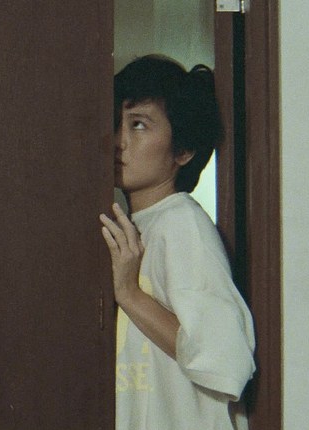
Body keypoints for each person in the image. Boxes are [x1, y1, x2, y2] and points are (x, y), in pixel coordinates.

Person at [99, 55, 256, 430]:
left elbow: (226, 363)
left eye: (138, 124)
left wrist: (130, 294)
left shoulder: (182, 223)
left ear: (183, 151)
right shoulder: (138, 223)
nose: (119, 141)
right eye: (116, 123)